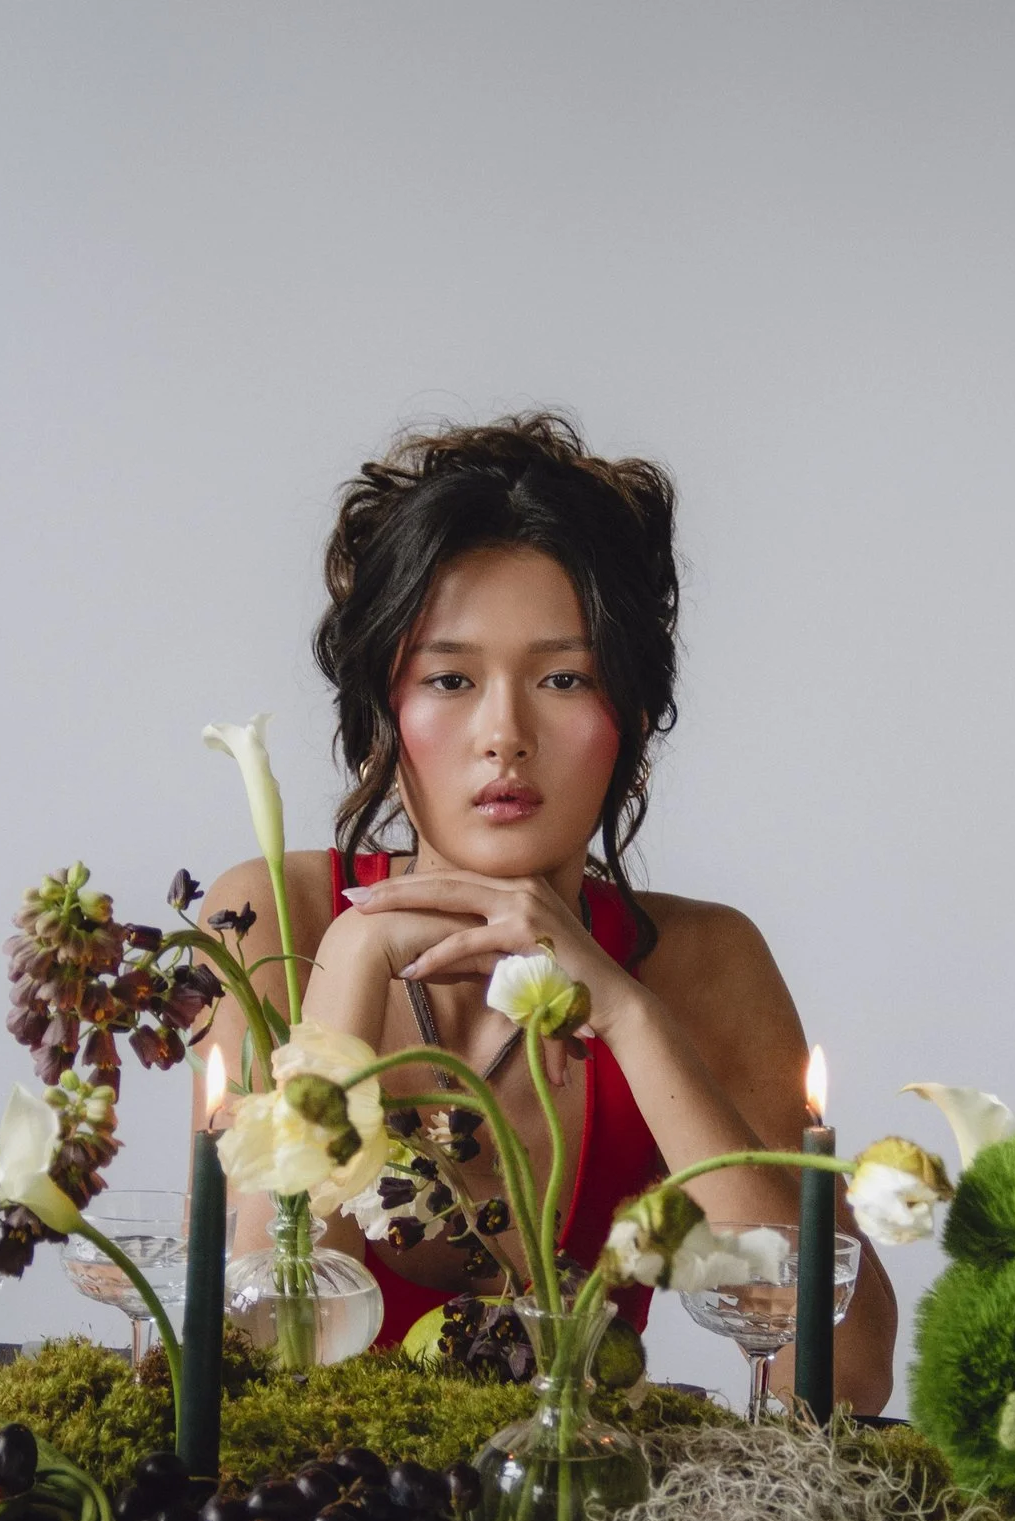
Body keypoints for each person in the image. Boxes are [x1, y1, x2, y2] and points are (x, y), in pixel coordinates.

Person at [196, 413, 895, 1413]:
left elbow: (844, 1376)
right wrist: (351, 962)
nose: (503, 735)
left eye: (563, 678)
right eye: (449, 678)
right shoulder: (272, 916)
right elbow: (254, 1355)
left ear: (634, 717)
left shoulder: (700, 960)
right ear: (382, 714)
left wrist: (631, 1015)